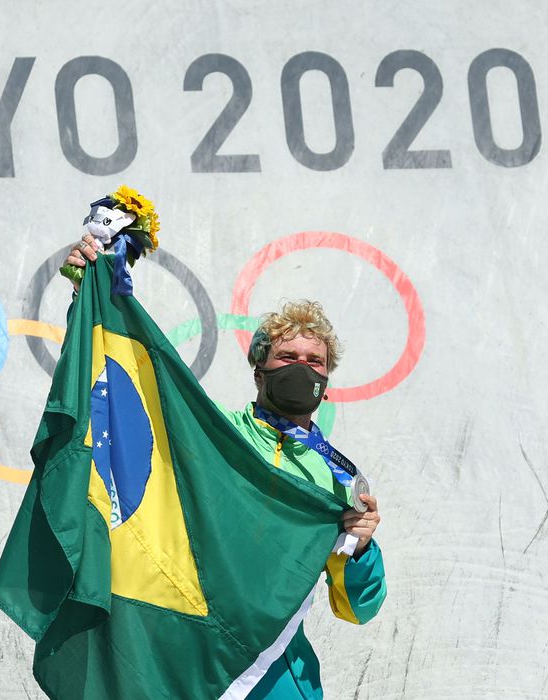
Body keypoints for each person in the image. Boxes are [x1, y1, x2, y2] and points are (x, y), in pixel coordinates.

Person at [63, 234, 386, 699]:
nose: (302, 368)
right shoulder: (212, 435)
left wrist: (360, 549)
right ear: (259, 368)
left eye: (315, 362)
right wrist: (88, 298)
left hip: (276, 679)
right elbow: (121, 405)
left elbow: (357, 610)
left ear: (326, 381)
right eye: (288, 357)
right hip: (186, 662)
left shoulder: (337, 480)